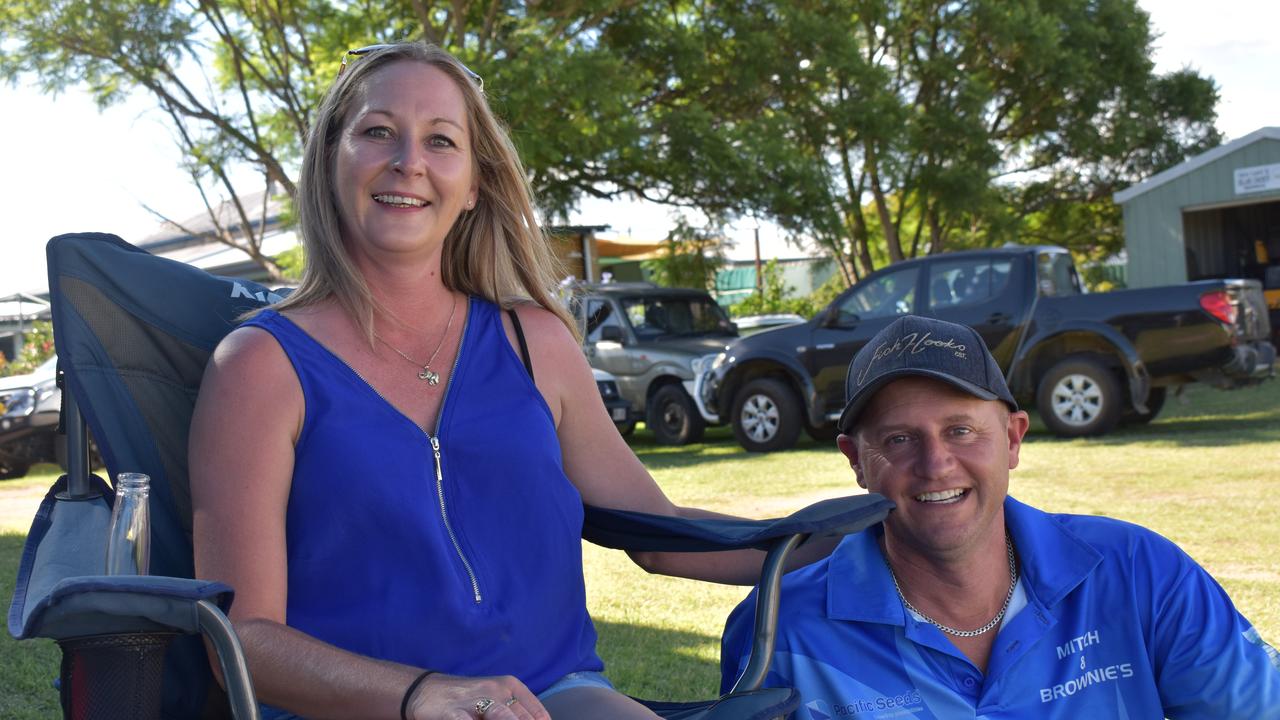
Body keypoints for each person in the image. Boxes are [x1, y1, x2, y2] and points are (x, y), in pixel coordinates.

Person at [189, 42, 825, 720]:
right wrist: (415, 697)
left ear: (474, 186)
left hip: (551, 697)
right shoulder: (260, 365)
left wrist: (855, 543)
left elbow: (660, 534)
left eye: (441, 141)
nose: (408, 161)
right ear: (330, 160)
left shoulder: (534, 344)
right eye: (377, 132)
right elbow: (241, 640)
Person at [720, 315, 1280, 718]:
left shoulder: (1139, 572)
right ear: (856, 461)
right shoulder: (779, 628)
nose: (936, 464)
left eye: (961, 431)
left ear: (1012, 439)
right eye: (898, 438)